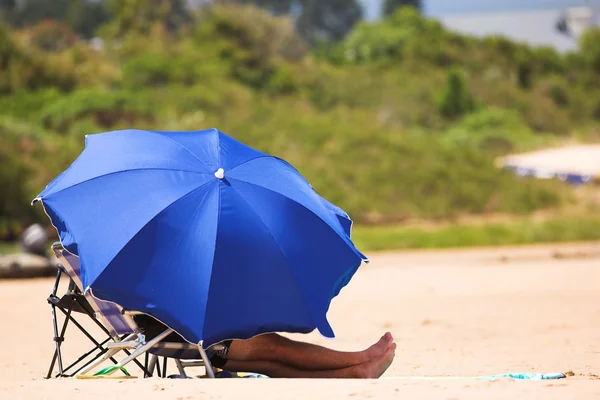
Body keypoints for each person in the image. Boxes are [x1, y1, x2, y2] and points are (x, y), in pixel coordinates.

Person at [205, 332, 396, 379]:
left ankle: (357, 372)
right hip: (203, 339)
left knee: (272, 366)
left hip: (203, 346)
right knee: (273, 347)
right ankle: (360, 359)